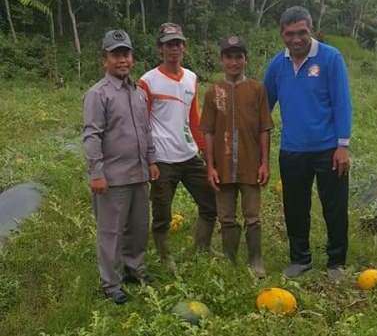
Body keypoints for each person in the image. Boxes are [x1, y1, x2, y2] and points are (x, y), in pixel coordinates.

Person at [264, 6, 352, 281]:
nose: (296, 39)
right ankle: (299, 260)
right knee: (295, 207)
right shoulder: (278, 65)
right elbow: (264, 104)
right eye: (290, 34)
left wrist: (342, 145)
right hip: (292, 150)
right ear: (282, 34)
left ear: (310, 30)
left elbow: (342, 102)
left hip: (328, 149)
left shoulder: (330, 58)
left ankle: (336, 262)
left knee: (334, 207)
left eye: (302, 32)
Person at [83, 30, 159, 304]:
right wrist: (96, 173)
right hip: (112, 178)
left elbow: (146, 130)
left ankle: (134, 270)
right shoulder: (98, 94)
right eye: (115, 55)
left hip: (138, 174)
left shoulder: (138, 93)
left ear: (132, 58)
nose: (122, 60)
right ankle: (110, 283)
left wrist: (151, 160)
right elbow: (92, 135)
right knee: (111, 231)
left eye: (125, 54)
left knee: (138, 227)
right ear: (105, 59)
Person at [138, 23, 217, 272]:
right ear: (160, 48)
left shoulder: (191, 78)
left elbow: (194, 118)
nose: (174, 48)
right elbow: (142, 123)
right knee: (162, 211)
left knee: (210, 203)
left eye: (178, 43)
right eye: (168, 44)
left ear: (184, 46)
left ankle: (202, 246)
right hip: (162, 158)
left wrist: (203, 149)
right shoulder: (148, 81)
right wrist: (149, 160)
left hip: (189, 154)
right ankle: (164, 255)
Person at [200, 36, 273, 278]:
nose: (234, 62)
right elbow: (208, 132)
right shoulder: (213, 92)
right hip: (222, 165)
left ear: (245, 59)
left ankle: (255, 259)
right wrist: (210, 166)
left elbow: (264, 128)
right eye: (229, 57)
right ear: (222, 60)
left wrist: (265, 162)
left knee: (252, 216)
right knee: (226, 217)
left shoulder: (256, 89)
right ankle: (230, 260)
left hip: (250, 164)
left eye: (238, 57)